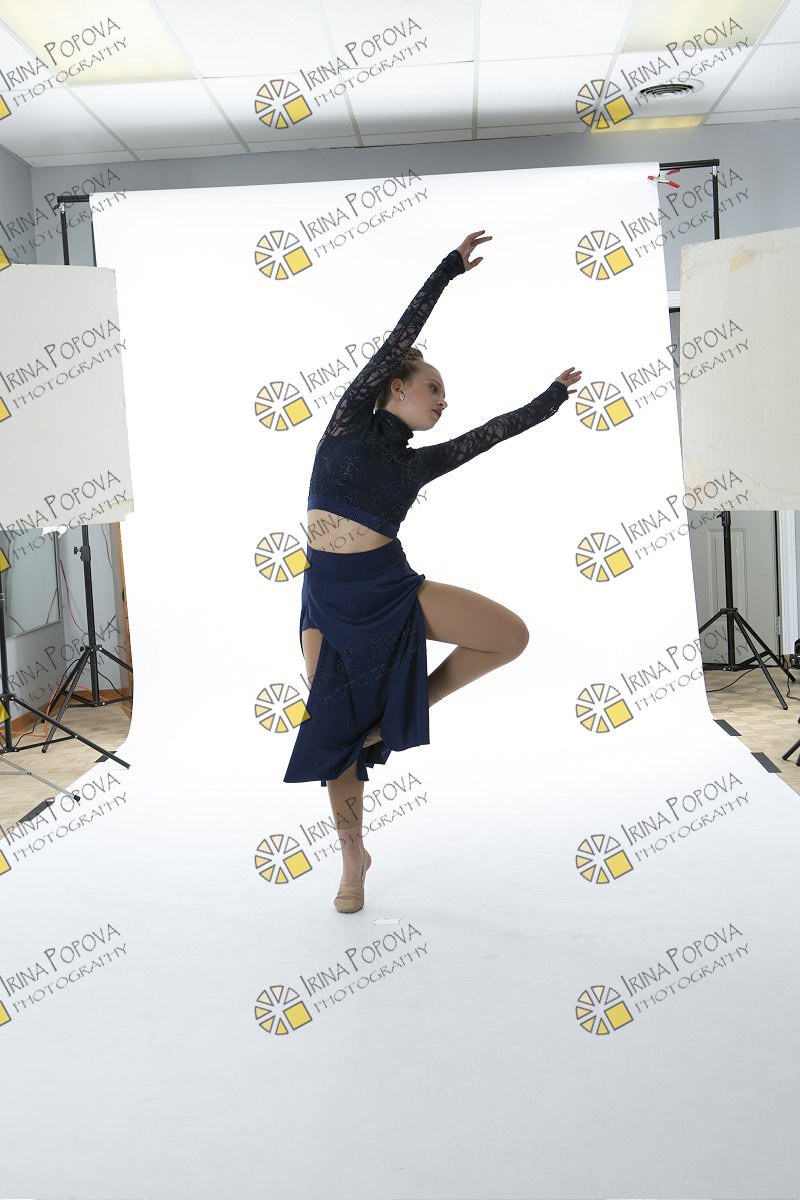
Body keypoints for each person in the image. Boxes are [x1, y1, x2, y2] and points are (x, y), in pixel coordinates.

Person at [283, 229, 581, 912]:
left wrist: (551, 398)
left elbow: (492, 433)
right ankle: (352, 859)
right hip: (330, 599)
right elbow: (402, 334)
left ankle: (399, 715)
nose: (443, 401)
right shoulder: (347, 423)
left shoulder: (419, 463)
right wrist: (449, 269)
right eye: (434, 389)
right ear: (396, 387)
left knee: (508, 636)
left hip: (390, 587)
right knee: (335, 732)